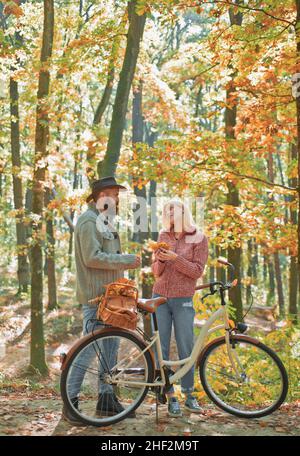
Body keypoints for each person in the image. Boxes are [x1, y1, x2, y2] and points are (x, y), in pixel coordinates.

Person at [62, 176, 141, 425]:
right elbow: (92, 257)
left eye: (116, 194)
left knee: (110, 349)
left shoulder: (104, 220)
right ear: (98, 195)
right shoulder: (88, 221)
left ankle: (106, 400)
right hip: (96, 298)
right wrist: (126, 260)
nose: (115, 198)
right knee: (87, 351)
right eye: (111, 193)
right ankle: (70, 404)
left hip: (113, 298)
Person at [151, 199, 209, 417]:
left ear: (183, 212)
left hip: (183, 298)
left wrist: (175, 259)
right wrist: (160, 261)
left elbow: (196, 271)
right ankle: (169, 395)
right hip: (159, 299)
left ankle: (189, 394)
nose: (169, 214)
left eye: (172, 210)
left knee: (186, 346)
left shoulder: (199, 237)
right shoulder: (163, 235)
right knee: (161, 349)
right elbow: (156, 272)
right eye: (167, 211)